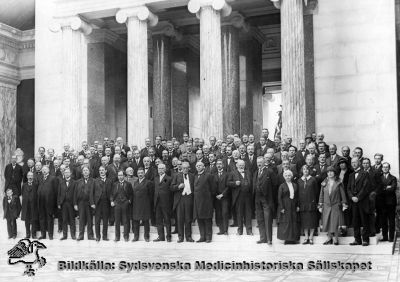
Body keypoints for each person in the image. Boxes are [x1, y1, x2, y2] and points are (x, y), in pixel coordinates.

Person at [318, 166, 347, 245]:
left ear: (334, 173)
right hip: (326, 206)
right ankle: (329, 238)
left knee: (334, 222)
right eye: (328, 172)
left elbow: (343, 194)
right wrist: (320, 205)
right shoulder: (324, 183)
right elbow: (321, 195)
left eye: (331, 171)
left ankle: (335, 238)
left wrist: (344, 204)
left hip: (335, 205)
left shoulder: (338, 183)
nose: (330, 173)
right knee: (327, 222)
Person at [347, 157, 371, 246]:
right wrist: (352, 197)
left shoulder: (365, 173)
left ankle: (365, 240)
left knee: (364, 220)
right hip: (353, 202)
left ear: (359, 163)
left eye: (355, 162)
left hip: (362, 201)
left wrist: (358, 197)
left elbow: (366, 187)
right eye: (352, 162)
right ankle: (357, 239)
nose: (353, 164)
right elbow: (348, 188)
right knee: (355, 221)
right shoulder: (351, 175)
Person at [171, 162, 195, 242]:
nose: (185, 169)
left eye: (187, 168)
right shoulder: (176, 176)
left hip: (189, 198)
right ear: (181, 168)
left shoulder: (192, 176)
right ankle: (180, 237)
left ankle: (188, 237)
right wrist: (178, 187)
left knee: (188, 218)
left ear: (189, 168)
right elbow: (171, 187)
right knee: (180, 219)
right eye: (184, 168)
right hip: (180, 199)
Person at [228, 160, 253, 235]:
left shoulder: (248, 172)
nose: (241, 166)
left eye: (243, 165)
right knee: (239, 213)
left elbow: (251, 183)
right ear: (237, 165)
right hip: (238, 196)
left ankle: (249, 230)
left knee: (248, 213)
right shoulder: (232, 173)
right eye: (240, 165)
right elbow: (228, 183)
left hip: (248, 196)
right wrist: (234, 183)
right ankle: (240, 230)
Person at [254, 157, 275, 245]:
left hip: (266, 199)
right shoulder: (255, 172)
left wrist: (270, 197)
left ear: (264, 162)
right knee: (260, 219)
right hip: (257, 199)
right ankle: (263, 238)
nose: (259, 164)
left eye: (260, 162)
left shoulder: (269, 172)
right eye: (257, 162)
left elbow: (275, 185)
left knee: (267, 219)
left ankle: (269, 239)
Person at [193, 162, 215, 243]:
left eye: (200, 165)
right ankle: (202, 237)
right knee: (200, 220)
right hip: (197, 202)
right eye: (197, 166)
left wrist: (209, 199)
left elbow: (213, 189)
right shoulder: (195, 176)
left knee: (207, 220)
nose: (198, 167)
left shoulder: (209, 175)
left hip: (206, 202)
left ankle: (208, 237)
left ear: (204, 167)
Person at [297, 165, 319, 245]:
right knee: (305, 221)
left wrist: (315, 202)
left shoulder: (313, 179)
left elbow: (316, 192)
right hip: (303, 203)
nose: (305, 171)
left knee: (312, 220)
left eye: (307, 169)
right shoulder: (299, 180)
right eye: (304, 169)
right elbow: (298, 193)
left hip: (311, 203)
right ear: (302, 171)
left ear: (309, 170)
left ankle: (311, 237)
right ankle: (306, 237)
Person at [277, 170, 300, 244]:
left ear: (291, 176)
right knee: (286, 222)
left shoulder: (295, 185)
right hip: (285, 205)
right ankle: (286, 239)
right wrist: (281, 208)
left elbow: (297, 196)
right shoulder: (282, 186)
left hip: (293, 205)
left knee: (293, 221)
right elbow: (279, 198)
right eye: (286, 176)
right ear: (284, 177)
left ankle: (292, 239)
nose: (288, 177)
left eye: (289, 175)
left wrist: (298, 205)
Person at [131, 167, 153, 242]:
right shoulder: (135, 182)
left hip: (145, 204)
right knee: (136, 221)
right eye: (139, 173)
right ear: (137, 174)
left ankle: (146, 236)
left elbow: (151, 195)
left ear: (144, 173)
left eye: (141, 173)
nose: (140, 174)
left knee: (146, 221)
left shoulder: (148, 182)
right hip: (136, 204)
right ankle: (136, 236)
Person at [110, 171, 133, 242]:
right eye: (119, 175)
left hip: (125, 204)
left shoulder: (128, 184)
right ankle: (117, 237)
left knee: (126, 220)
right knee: (117, 221)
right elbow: (111, 194)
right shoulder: (114, 184)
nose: (120, 176)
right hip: (117, 204)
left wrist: (129, 200)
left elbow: (131, 194)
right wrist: (112, 201)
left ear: (124, 176)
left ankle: (126, 236)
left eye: (121, 175)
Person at [378, 162, 397, 242]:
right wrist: (387, 187)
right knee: (383, 220)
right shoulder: (379, 177)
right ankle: (385, 236)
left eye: (387, 167)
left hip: (391, 202)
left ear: (389, 168)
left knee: (391, 220)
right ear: (382, 168)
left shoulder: (393, 178)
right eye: (384, 167)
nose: (385, 168)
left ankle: (391, 237)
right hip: (382, 202)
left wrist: (383, 188)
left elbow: (393, 188)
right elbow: (378, 189)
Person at [74, 167, 95, 241]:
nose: (85, 172)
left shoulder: (93, 181)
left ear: (89, 172)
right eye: (84, 171)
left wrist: (93, 203)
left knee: (90, 219)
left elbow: (94, 193)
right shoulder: (78, 182)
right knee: (81, 219)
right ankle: (81, 235)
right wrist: (75, 204)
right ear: (82, 172)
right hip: (81, 203)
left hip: (90, 203)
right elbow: (75, 193)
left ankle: (90, 235)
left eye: (87, 170)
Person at [92, 166, 112, 241]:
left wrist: (111, 200)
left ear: (106, 171)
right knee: (97, 221)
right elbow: (92, 192)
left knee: (105, 220)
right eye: (100, 170)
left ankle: (105, 236)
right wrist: (92, 203)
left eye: (103, 170)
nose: (101, 171)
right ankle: (98, 236)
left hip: (106, 203)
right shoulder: (95, 181)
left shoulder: (110, 181)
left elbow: (112, 192)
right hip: (98, 203)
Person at [153, 163, 173, 242]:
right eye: (159, 168)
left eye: (161, 168)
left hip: (166, 203)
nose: (160, 170)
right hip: (157, 203)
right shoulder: (156, 178)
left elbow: (171, 192)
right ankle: (161, 236)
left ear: (164, 169)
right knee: (158, 220)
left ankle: (168, 236)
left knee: (167, 220)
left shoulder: (169, 178)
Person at [37, 165, 58, 240]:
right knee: (42, 218)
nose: (44, 171)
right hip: (41, 201)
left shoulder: (53, 178)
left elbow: (55, 191)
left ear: (48, 170)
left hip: (49, 202)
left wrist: (55, 203)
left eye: (45, 169)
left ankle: (50, 235)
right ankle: (43, 235)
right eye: (43, 169)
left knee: (49, 218)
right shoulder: (39, 178)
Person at [57, 168, 76, 240]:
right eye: (65, 173)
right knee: (64, 219)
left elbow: (75, 193)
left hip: (71, 203)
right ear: (64, 174)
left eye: (68, 172)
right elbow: (59, 193)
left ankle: (73, 235)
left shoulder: (74, 182)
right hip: (63, 203)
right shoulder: (61, 182)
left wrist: (75, 204)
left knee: (72, 219)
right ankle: (64, 235)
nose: (66, 174)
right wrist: (59, 203)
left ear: (70, 173)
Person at [214, 159, 230, 235]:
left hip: (225, 197)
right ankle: (221, 230)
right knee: (218, 214)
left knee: (225, 213)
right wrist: (216, 195)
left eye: (220, 164)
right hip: (216, 198)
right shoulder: (213, 175)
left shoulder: (227, 174)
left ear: (223, 165)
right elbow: (212, 186)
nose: (219, 165)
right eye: (217, 164)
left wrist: (222, 194)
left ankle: (226, 230)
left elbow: (228, 186)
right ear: (216, 165)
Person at [21, 171, 38, 239]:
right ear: (27, 177)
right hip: (26, 205)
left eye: (31, 176)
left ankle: (33, 234)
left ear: (33, 177)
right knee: (27, 220)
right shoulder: (24, 185)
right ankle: (27, 234)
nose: (30, 177)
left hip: (33, 205)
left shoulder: (36, 184)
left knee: (33, 220)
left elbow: (37, 194)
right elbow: (23, 194)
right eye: (29, 176)